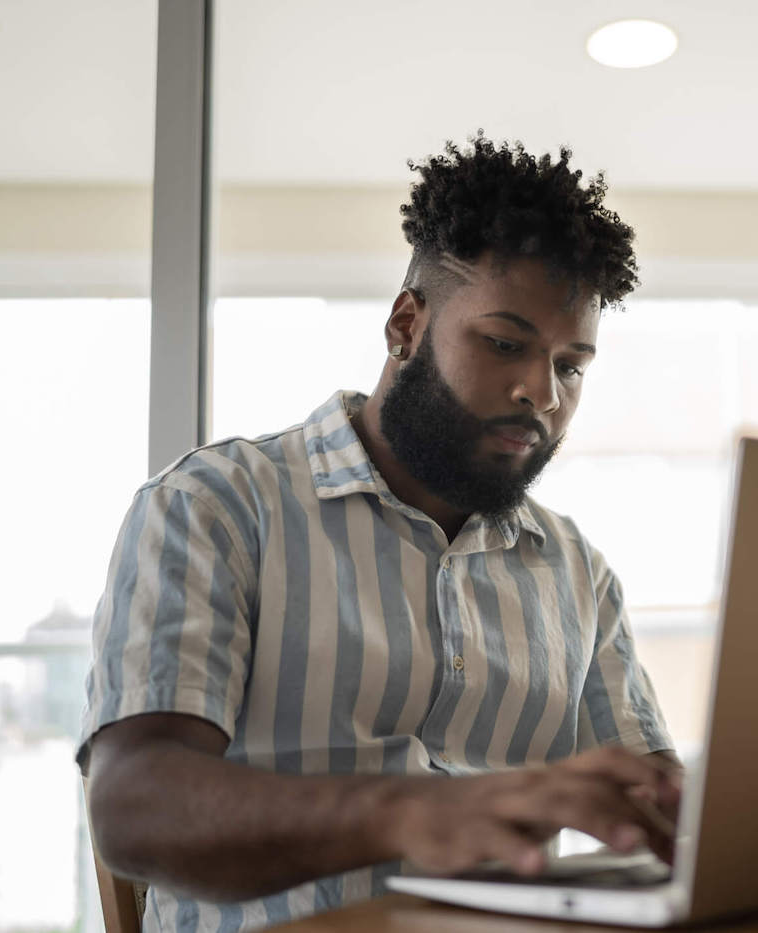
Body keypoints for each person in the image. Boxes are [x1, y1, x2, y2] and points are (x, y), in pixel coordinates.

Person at [79, 134, 680, 931]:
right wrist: (410, 812)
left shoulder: (576, 571)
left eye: (571, 365)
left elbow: (659, 806)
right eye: (505, 344)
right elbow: (134, 807)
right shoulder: (217, 505)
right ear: (406, 325)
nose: (540, 391)